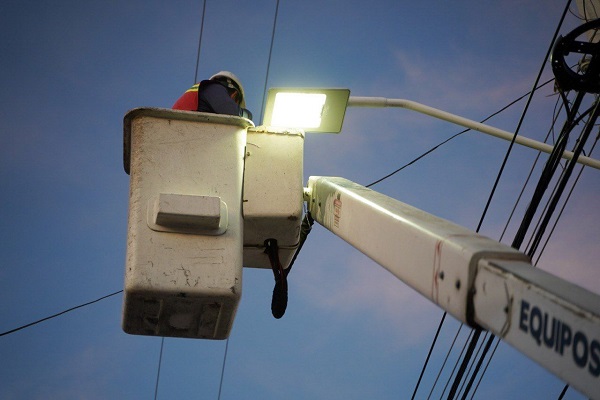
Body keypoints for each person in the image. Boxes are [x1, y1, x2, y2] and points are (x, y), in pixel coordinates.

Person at [172, 71, 253, 120]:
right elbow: (232, 111)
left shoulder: (206, 92)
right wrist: (248, 115)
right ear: (234, 95)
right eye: (236, 103)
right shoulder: (214, 88)